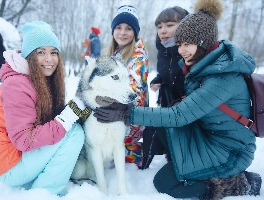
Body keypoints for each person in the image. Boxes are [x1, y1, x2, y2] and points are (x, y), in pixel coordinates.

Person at [93, 0, 262, 199]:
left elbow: (179, 116)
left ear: (203, 42)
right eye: (179, 44)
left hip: (230, 151)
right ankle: (190, 166)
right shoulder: (203, 65)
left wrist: (126, 113)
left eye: (187, 44)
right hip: (208, 135)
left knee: (164, 182)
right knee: (161, 128)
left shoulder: (222, 77)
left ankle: (241, 184)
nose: (181, 50)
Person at [0, 21, 90, 196]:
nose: (49, 59)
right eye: (41, 52)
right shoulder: (17, 85)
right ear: (29, 56)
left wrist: (72, 113)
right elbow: (24, 139)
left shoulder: (40, 79)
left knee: (71, 129)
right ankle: (45, 193)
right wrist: (66, 119)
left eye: (54, 52)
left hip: (14, 157)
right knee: (74, 133)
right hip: (7, 164)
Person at [142, 6, 189, 169]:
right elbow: (167, 73)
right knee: (153, 126)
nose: (163, 31)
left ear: (184, 25)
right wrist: (158, 79)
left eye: (169, 25)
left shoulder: (189, 50)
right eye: (159, 26)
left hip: (189, 109)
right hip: (168, 103)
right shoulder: (162, 50)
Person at [108, 4, 149, 168]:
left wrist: (107, 105)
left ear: (135, 32)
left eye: (128, 28)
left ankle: (137, 153)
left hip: (131, 117)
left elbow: (134, 92)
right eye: (118, 27)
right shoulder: (117, 52)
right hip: (119, 111)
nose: (122, 33)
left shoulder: (137, 55)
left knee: (103, 146)